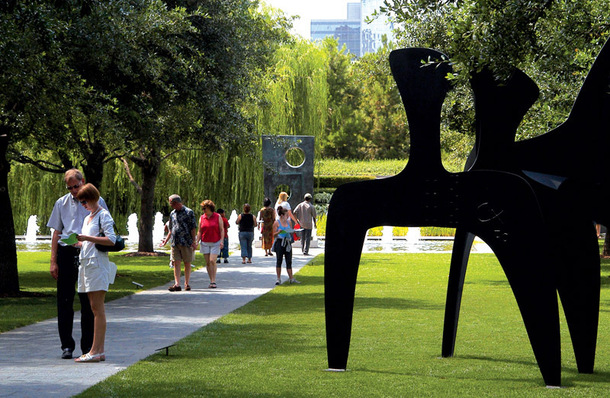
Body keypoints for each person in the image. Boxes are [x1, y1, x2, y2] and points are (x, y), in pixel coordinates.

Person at [47, 168, 107, 360]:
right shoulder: (61, 203)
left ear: (83, 182)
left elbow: (106, 231)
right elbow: (56, 233)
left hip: (87, 253)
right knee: (64, 300)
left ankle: (88, 346)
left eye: (76, 186)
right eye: (70, 187)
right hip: (66, 251)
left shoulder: (97, 201)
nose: (73, 190)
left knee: (88, 302)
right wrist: (53, 261)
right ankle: (66, 345)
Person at [74, 183, 117, 362]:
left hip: (98, 264)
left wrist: (87, 238)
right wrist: (78, 243)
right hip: (86, 264)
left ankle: (96, 351)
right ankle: (97, 350)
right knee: (93, 307)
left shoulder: (103, 215)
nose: (83, 205)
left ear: (93, 198)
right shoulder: (88, 218)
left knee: (98, 308)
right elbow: (88, 242)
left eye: (84, 201)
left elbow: (111, 240)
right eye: (80, 202)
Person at [161, 194, 197, 292]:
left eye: (171, 203)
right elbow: (171, 229)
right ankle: (177, 284)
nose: (170, 205)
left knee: (187, 263)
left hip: (186, 241)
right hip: (175, 242)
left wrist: (194, 241)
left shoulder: (189, 212)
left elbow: (193, 228)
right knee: (176, 262)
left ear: (176, 203)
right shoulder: (172, 213)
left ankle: (187, 283)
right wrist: (166, 240)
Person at [196, 200, 224, 288]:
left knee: (212, 260)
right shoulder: (202, 217)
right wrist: (197, 241)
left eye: (205, 208)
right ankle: (210, 280)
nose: (203, 210)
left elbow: (221, 229)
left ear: (210, 208)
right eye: (202, 208)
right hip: (204, 242)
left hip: (215, 242)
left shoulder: (217, 216)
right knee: (208, 262)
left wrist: (222, 241)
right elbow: (200, 231)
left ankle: (213, 280)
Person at [273, 206, 300, 285]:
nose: (288, 216)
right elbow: (273, 234)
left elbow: (291, 231)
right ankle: (278, 279)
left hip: (287, 242)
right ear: (282, 215)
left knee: (289, 261)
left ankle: (291, 278)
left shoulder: (289, 222)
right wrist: (278, 232)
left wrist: (292, 231)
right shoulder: (276, 223)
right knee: (279, 260)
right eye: (286, 215)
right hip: (280, 242)